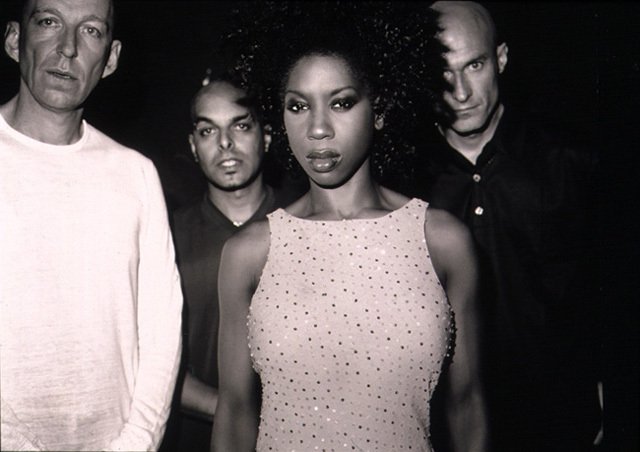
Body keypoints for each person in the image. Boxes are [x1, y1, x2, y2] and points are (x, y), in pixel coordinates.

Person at [211, 3, 487, 451]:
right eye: (298, 106)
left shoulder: (441, 241)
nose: (318, 128)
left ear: (378, 110)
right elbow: (235, 412)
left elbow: (467, 406)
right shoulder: (249, 253)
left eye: (341, 103)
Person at [411, 2, 601, 450]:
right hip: (446, 429)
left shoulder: (572, 161)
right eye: (443, 72)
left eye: (474, 65)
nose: (460, 91)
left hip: (558, 421)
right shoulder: (403, 179)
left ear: (501, 58)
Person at [0, 0, 183, 450]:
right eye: (49, 22)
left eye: (91, 31)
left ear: (111, 58)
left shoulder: (136, 174)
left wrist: (135, 443)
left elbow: (161, 329)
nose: (67, 48)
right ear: (15, 39)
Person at [161, 67, 300, 452]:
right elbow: (150, 362)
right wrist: (238, 415)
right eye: (208, 131)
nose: (225, 143)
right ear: (193, 146)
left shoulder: (309, 225)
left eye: (240, 126)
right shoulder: (165, 237)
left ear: (266, 135)